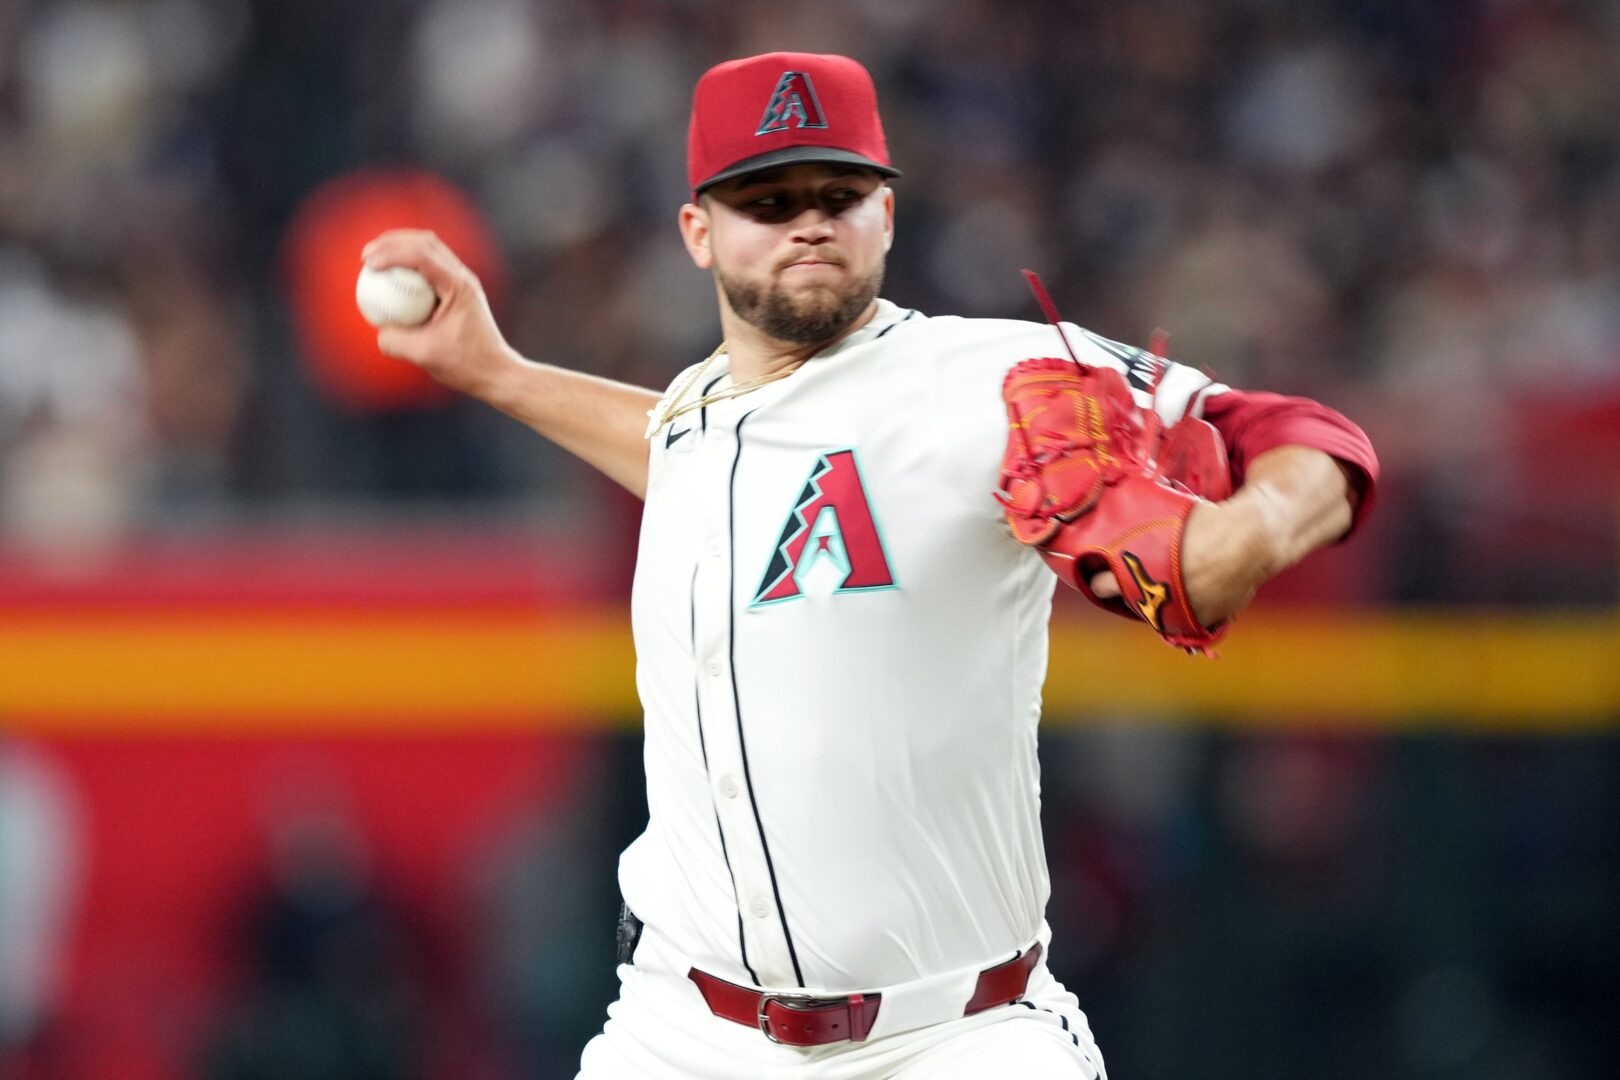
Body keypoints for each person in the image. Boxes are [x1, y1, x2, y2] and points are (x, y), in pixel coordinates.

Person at [361, 51, 1377, 1080]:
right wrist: (501, 376)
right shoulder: (699, 425)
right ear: (699, 234)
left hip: (956, 1037)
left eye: (838, 195)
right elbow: (687, 454)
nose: (809, 222)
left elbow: (1313, 438)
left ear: (886, 215)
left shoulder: (986, 377)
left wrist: (1241, 539)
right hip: (678, 1033)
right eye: (768, 200)